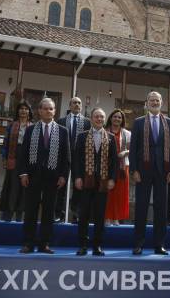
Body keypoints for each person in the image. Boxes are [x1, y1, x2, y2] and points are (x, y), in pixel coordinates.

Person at [18, 98, 70, 254]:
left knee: (49, 211)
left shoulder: (62, 131)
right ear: (39, 111)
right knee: (30, 210)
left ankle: (44, 243)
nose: (49, 111)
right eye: (46, 108)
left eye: (51, 109)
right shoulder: (30, 129)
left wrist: (63, 176)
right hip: (33, 176)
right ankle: (28, 243)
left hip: (53, 177)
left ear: (55, 111)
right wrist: (23, 173)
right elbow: (23, 154)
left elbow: (66, 157)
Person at [130, 91, 170, 255]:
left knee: (161, 209)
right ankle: (138, 244)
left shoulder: (169, 123)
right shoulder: (138, 122)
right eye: (152, 100)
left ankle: (160, 244)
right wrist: (134, 169)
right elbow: (133, 148)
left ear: (161, 103)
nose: (154, 102)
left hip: (162, 171)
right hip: (143, 170)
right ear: (147, 102)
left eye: (157, 100)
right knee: (141, 207)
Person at [73, 108, 118, 256]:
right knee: (83, 214)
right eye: (96, 116)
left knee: (100, 215)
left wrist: (112, 178)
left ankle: (97, 246)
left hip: (103, 182)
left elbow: (114, 162)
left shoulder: (111, 138)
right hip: (85, 180)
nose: (99, 119)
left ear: (104, 119)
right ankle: (82, 245)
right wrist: (77, 177)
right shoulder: (82, 136)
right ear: (91, 118)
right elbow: (76, 160)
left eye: (101, 117)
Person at [55, 97, 91, 223]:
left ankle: (76, 214)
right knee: (61, 185)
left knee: (78, 186)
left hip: (80, 159)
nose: (77, 105)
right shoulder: (61, 121)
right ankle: (59, 213)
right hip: (64, 158)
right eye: (74, 103)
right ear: (69, 105)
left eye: (79, 103)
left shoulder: (87, 122)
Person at [0, 101, 33, 222]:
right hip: (13, 157)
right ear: (18, 111)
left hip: (28, 158)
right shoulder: (11, 125)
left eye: (26, 109)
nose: (23, 111)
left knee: (24, 187)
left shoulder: (33, 126)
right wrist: (4, 158)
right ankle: (7, 215)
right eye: (21, 108)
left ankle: (20, 216)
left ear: (29, 111)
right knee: (12, 186)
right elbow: (5, 143)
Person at [105, 109, 131, 226]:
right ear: (110, 118)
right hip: (106, 166)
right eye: (115, 116)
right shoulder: (104, 131)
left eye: (119, 117)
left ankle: (116, 217)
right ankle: (107, 217)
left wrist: (124, 153)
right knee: (108, 192)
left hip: (122, 166)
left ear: (122, 120)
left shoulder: (127, 133)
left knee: (119, 193)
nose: (117, 119)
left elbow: (132, 149)